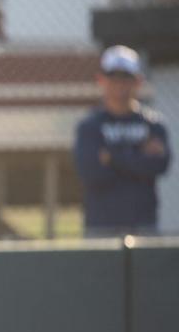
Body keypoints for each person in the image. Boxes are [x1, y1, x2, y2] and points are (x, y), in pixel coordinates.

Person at [73, 45, 172, 237]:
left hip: (143, 225)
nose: (119, 84)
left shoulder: (153, 124)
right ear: (101, 80)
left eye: (126, 77)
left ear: (138, 81)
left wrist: (111, 156)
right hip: (100, 226)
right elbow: (89, 172)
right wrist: (137, 155)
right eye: (113, 77)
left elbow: (160, 165)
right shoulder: (90, 126)